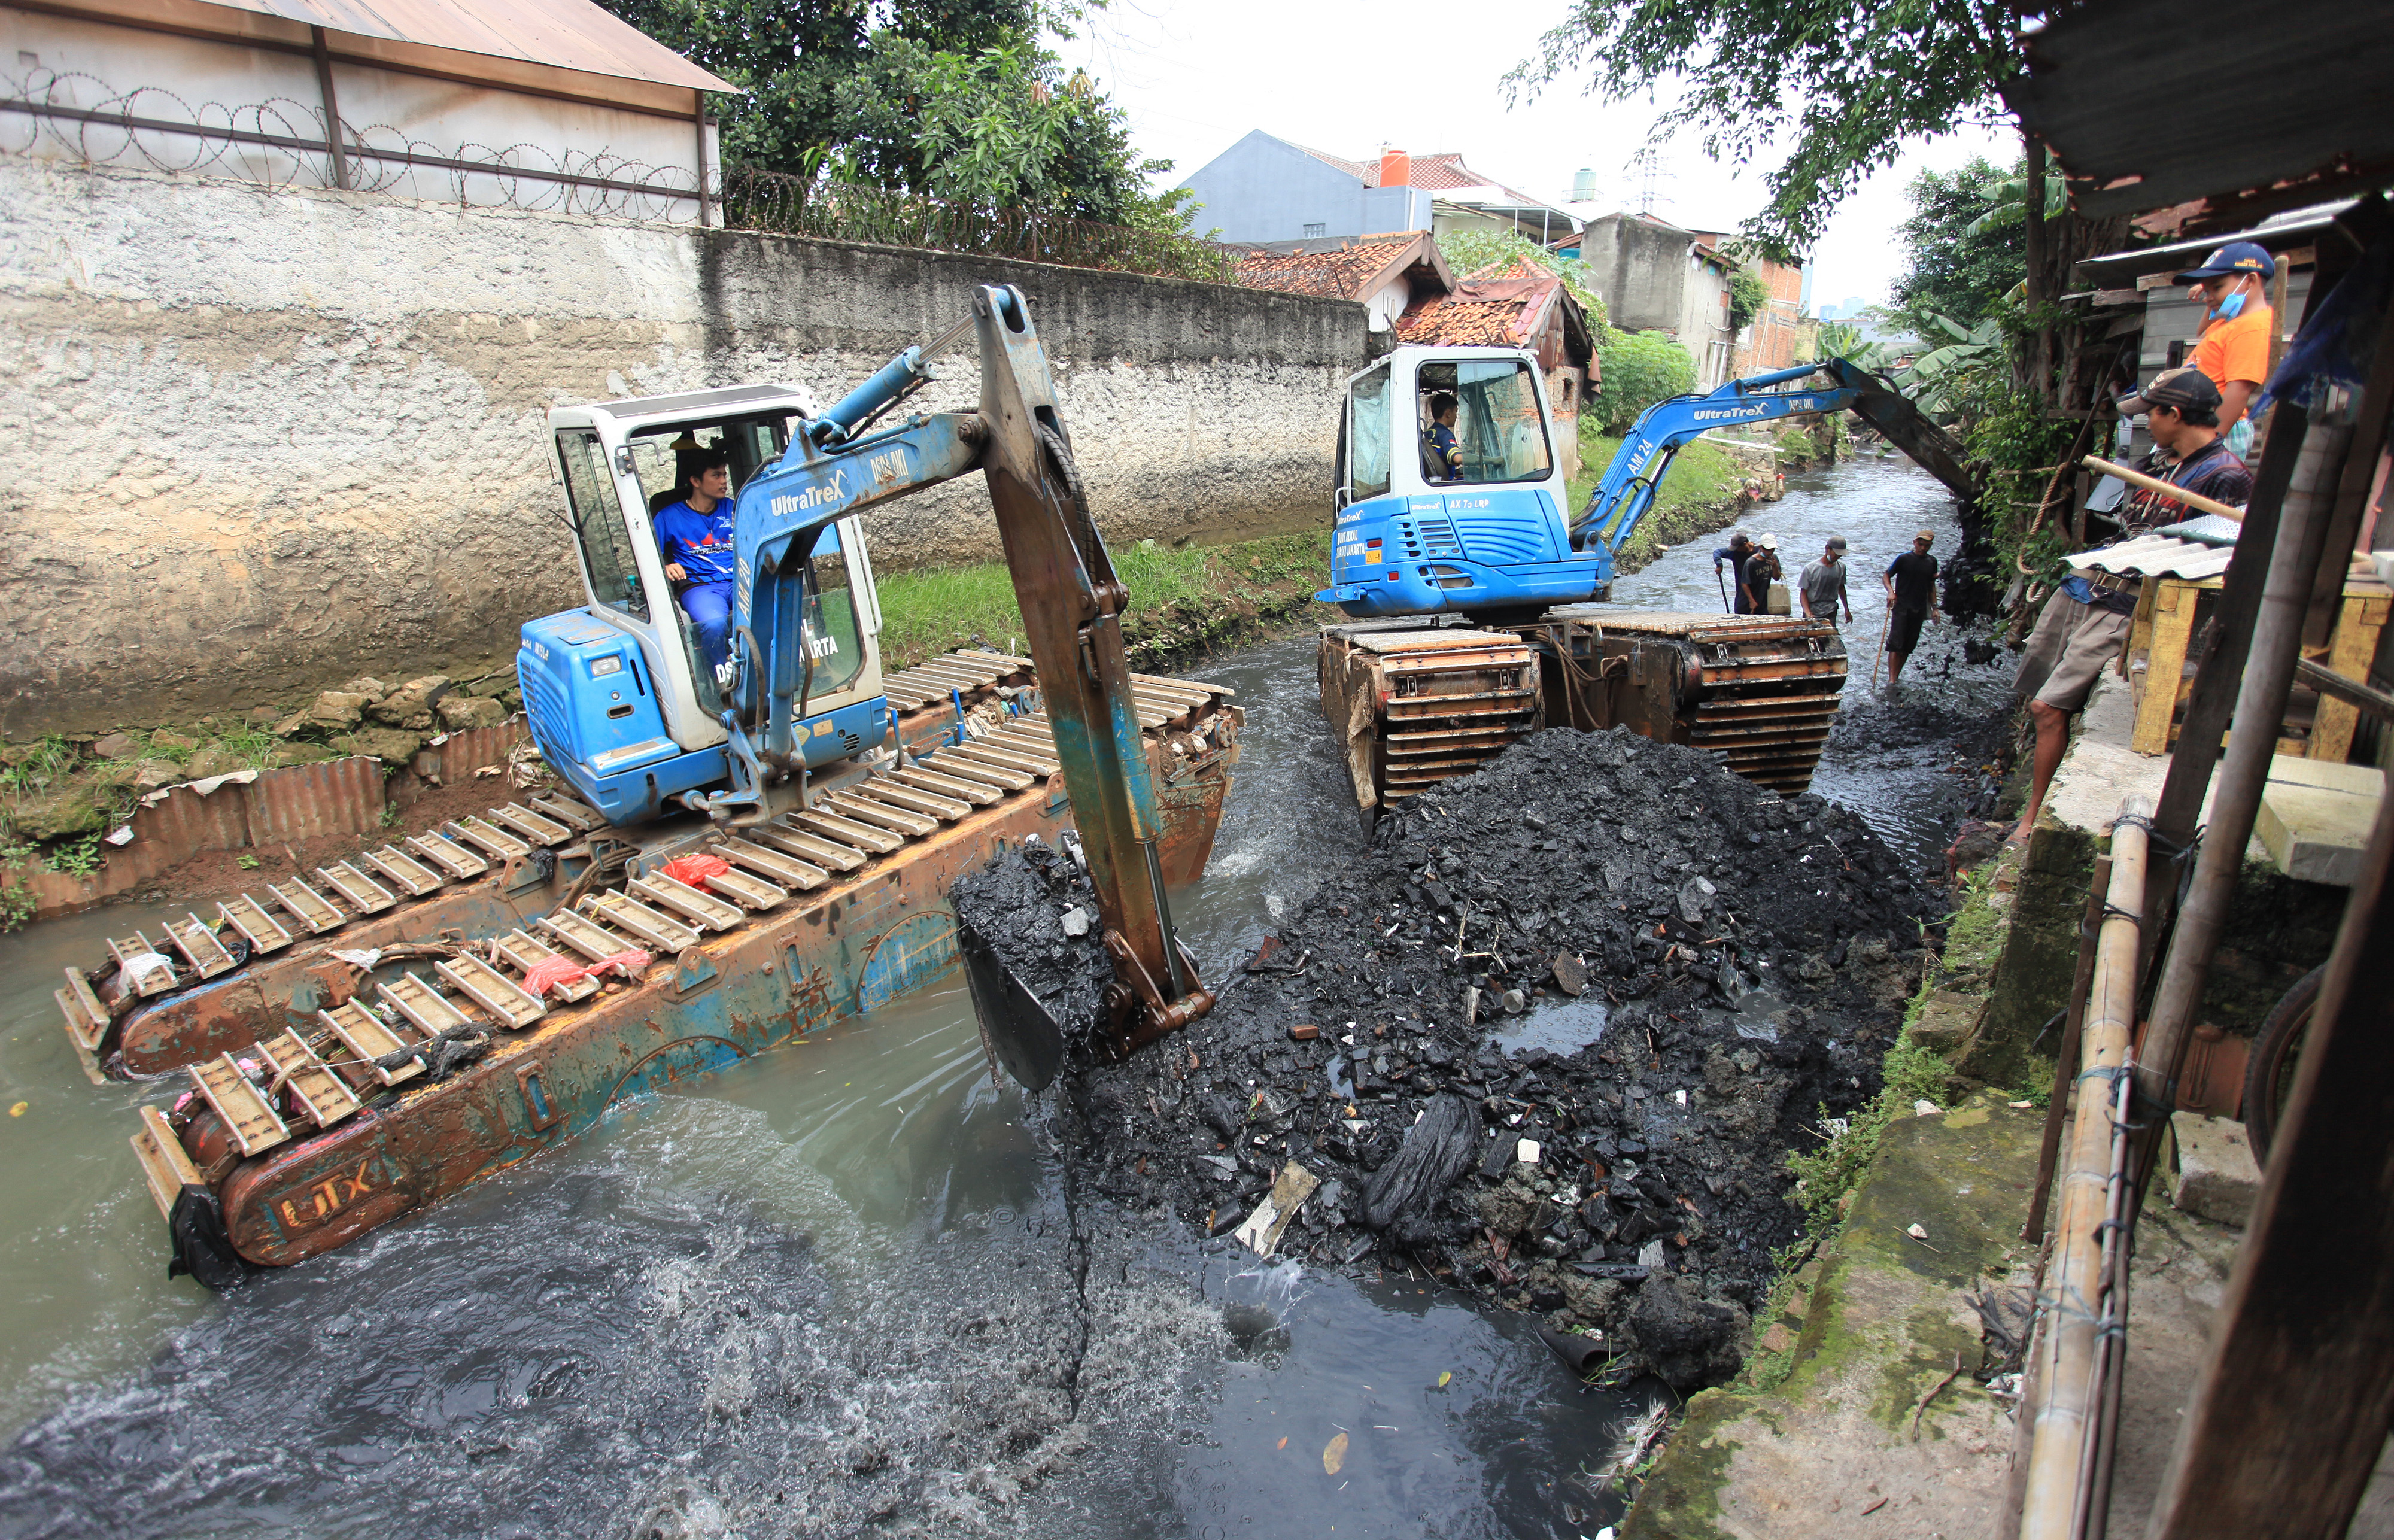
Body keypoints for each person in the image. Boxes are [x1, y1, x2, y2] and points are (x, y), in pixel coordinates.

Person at [2013, 367, 2255, 839]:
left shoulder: (2226, 478)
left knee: (2048, 707)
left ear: (2176, 414)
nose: (2147, 425)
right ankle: (2025, 789)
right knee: (2036, 684)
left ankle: (2031, 820)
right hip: (2097, 582)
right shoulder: (2164, 464)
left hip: (2132, 602)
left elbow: (2215, 564)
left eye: (2152, 415)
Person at [2180, 241, 2275, 455]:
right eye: (2206, 290)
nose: (2208, 296)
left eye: (2218, 286)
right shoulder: (2232, 321)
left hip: (2215, 429)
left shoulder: (2251, 328)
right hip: (2199, 428)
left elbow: (2239, 391)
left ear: (2250, 280)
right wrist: (2212, 297)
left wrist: (2207, 445)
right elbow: (2202, 334)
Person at [654, 446, 738, 676]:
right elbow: (651, 557)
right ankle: (723, 679)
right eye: (716, 475)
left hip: (741, 580)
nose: (723, 481)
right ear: (695, 481)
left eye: (724, 475)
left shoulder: (734, 508)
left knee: (769, 613)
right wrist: (667, 565)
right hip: (700, 586)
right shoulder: (668, 516)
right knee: (713, 625)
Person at [1882, 530, 1939, 687]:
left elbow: (1931, 586)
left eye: (1926, 546)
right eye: (1920, 544)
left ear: (1930, 546)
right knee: (1896, 644)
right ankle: (1892, 680)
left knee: (1908, 646)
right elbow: (1887, 575)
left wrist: (1935, 608)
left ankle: (1897, 676)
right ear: (1915, 543)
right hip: (1901, 607)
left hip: (1919, 608)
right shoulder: (1904, 559)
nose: (1922, 548)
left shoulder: (1932, 562)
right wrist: (1891, 592)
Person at [1799, 536, 1854, 628]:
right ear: (1828, 549)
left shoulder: (1841, 568)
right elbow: (1803, 593)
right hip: (1813, 611)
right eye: (1836, 554)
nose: (1838, 557)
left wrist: (1847, 610)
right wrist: (1807, 612)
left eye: (1840, 555)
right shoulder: (1811, 569)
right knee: (1810, 639)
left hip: (1831, 611)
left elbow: (1841, 588)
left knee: (1829, 638)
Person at [1712, 530, 1756, 613]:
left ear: (1744, 544)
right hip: (1742, 589)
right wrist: (1719, 565)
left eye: (1737, 548)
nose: (1736, 550)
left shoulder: (1758, 552)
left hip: (1757, 588)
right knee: (1740, 611)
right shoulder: (1734, 553)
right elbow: (1717, 552)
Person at [1424, 393, 1463, 481]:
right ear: (1448, 413)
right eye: (1455, 412)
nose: (1456, 417)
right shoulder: (1445, 434)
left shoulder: (1427, 434)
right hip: (1445, 482)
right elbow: (1457, 458)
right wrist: (1481, 459)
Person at [1745, 533, 1785, 613]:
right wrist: (1751, 600)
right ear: (1761, 547)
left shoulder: (1774, 559)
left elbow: (1776, 578)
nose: (1770, 552)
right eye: (1767, 549)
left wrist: (1775, 567)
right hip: (1749, 599)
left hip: (1764, 599)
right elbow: (1745, 583)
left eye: (1772, 549)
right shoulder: (1751, 562)